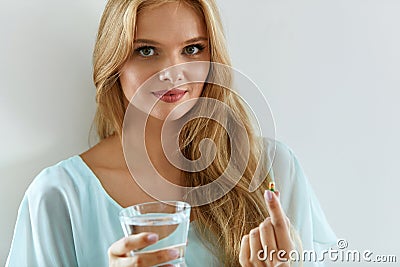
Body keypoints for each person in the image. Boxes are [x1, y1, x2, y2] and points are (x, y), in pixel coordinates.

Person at [6, 0, 337, 266]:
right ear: (114, 62)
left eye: (192, 49)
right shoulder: (60, 197)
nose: (172, 73)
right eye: (147, 51)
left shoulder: (272, 170)